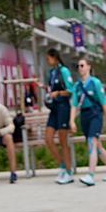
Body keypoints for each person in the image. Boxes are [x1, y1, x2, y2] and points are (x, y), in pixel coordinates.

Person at [73, 58, 106, 185]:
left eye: (82, 65)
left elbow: (104, 103)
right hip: (84, 115)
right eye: (78, 66)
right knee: (98, 146)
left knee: (91, 142)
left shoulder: (95, 83)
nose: (80, 68)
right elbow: (74, 104)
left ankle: (91, 175)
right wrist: (72, 120)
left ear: (88, 67)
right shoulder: (78, 86)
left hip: (96, 114)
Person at [42, 49, 76, 184]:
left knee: (63, 142)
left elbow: (71, 90)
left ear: (54, 57)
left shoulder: (64, 71)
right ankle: (62, 165)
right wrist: (46, 89)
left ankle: (69, 172)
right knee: (48, 138)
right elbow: (52, 89)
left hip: (63, 108)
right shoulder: (51, 73)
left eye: (48, 58)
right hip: (54, 109)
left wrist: (59, 93)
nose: (47, 61)